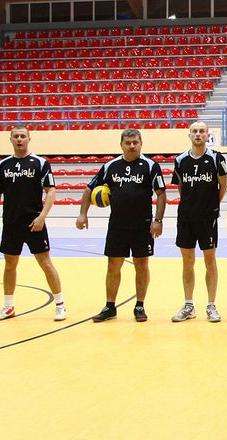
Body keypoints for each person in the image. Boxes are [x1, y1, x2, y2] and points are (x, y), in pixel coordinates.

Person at [77, 129, 166, 322]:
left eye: (135, 142)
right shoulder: (110, 166)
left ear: (141, 143)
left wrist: (158, 221)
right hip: (117, 225)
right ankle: (110, 307)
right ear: (121, 145)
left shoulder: (151, 166)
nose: (132, 146)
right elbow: (89, 189)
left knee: (141, 264)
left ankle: (140, 306)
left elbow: (161, 194)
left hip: (142, 225)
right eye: (128, 143)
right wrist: (83, 214)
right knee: (113, 265)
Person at [0, 125, 66, 322]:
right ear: (10, 139)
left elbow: (51, 191)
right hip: (11, 223)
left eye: (23, 136)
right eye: (16, 136)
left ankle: (60, 305)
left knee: (45, 263)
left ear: (29, 139)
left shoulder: (40, 163)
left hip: (34, 223)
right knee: (10, 264)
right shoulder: (2, 165)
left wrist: (42, 217)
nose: (19, 139)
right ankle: (8, 306)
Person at [170, 121, 227, 323]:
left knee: (210, 261)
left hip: (207, 218)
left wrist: (211, 206)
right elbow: (181, 188)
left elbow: (222, 186)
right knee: (188, 262)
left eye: (202, 131)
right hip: (186, 217)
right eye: (194, 131)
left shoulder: (216, 158)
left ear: (207, 135)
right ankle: (188, 305)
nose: (198, 134)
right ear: (189, 135)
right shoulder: (180, 160)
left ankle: (211, 305)